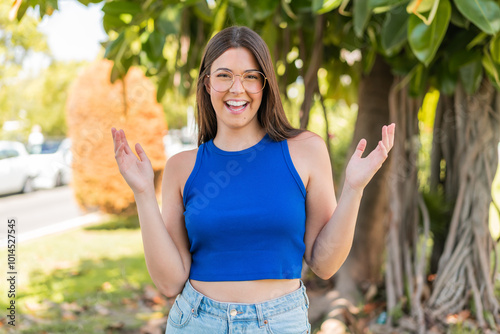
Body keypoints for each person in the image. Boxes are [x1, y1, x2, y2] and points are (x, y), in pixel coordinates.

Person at [112, 26, 395, 334]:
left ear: (265, 84)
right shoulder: (181, 168)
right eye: (223, 75)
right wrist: (142, 192)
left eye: (250, 76)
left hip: (281, 322)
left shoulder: (306, 151)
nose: (237, 88)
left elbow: (324, 264)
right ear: (207, 84)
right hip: (198, 321)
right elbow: (169, 282)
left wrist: (354, 189)